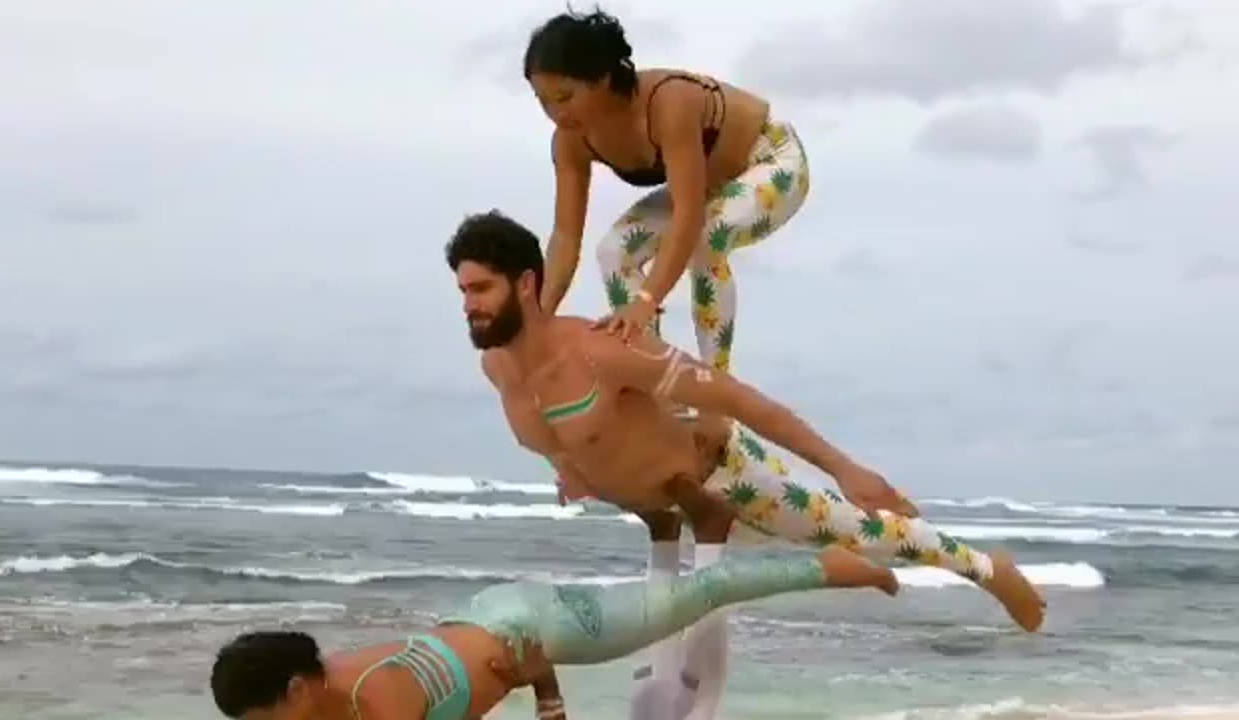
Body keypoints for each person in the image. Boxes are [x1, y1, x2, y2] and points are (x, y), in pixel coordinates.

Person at [445, 210, 1047, 720]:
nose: (468, 305)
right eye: (463, 291)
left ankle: (988, 569)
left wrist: (844, 467)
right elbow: (559, 437)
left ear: (525, 284)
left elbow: (737, 399)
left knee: (865, 532)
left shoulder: (603, 352)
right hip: (676, 509)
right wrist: (571, 469)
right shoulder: (497, 369)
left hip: (724, 478)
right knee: (671, 684)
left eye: (480, 289)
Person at [208, 546, 897, 720]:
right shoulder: (330, 690)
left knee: (695, 595)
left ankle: (838, 568)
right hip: (480, 611)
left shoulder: (379, 702)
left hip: (532, 628)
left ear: (296, 691)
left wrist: (543, 683)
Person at [523, 8, 812, 374]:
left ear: (602, 79)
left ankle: (716, 382)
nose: (555, 113)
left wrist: (646, 300)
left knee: (707, 237)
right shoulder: (569, 142)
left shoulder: (668, 102)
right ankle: (654, 373)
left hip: (771, 161)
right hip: (711, 185)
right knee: (614, 250)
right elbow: (565, 238)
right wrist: (536, 322)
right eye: (543, 100)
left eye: (565, 97)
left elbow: (688, 215)